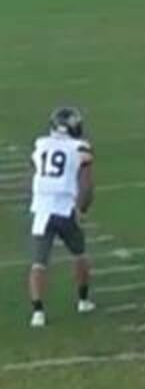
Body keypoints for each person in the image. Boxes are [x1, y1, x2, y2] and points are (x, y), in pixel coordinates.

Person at [27, 107, 95, 328]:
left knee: (39, 263)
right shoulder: (80, 147)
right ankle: (83, 300)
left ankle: (38, 312)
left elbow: (37, 167)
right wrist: (82, 208)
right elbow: (85, 185)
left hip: (41, 208)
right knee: (79, 254)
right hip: (64, 207)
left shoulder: (40, 144)